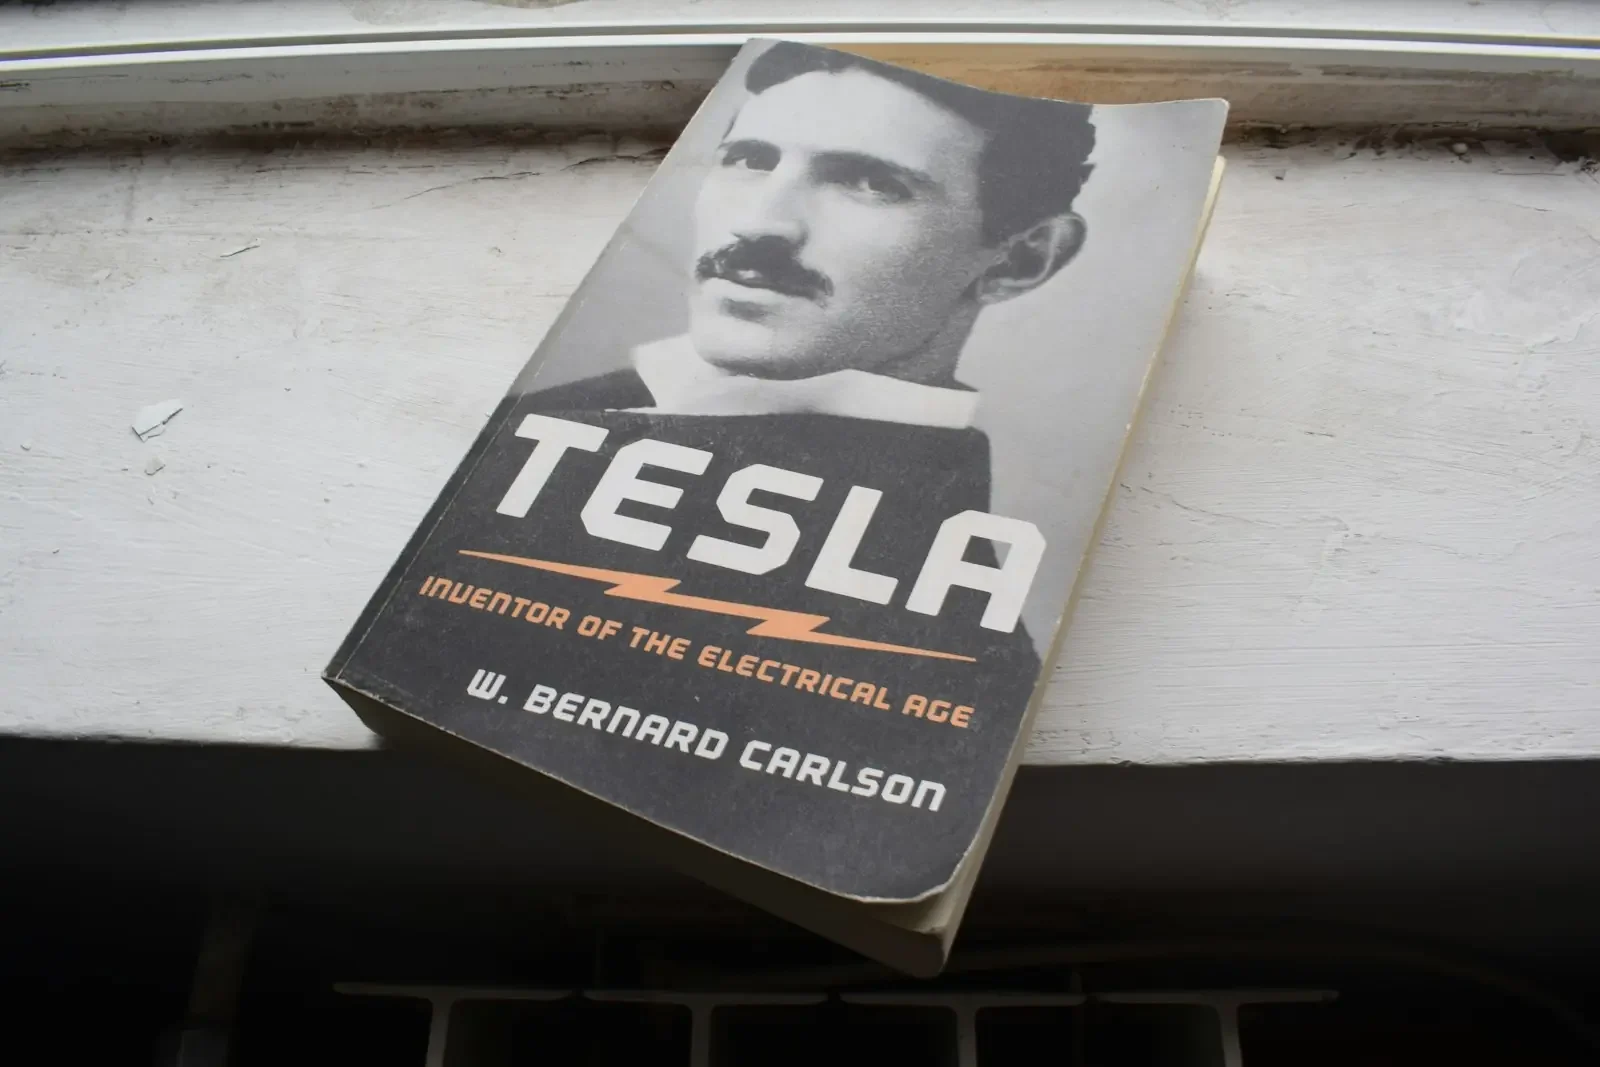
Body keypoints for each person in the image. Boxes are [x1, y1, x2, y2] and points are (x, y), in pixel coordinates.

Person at [521, 41, 1098, 667]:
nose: (760, 224)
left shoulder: (948, 657)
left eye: (869, 182)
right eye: (749, 159)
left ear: (1020, 260)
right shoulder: (535, 420)